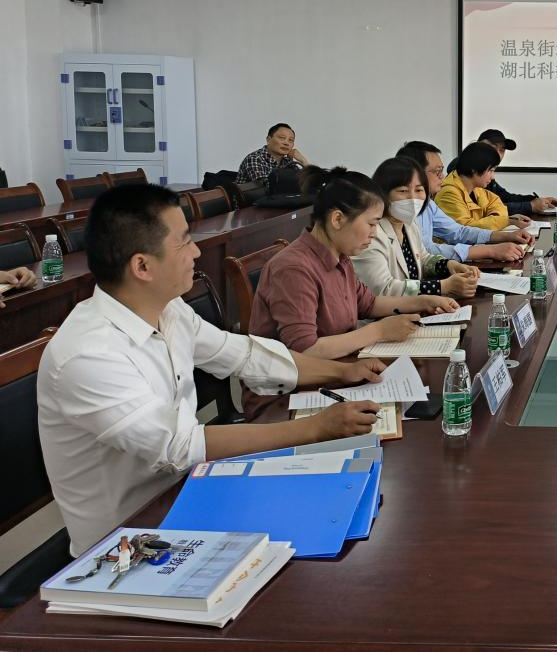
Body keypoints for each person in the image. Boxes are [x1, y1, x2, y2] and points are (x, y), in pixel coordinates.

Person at [36, 184, 387, 557]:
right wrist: (315, 428)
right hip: (125, 544)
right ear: (142, 266)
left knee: (334, 514)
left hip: (190, 493)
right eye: (185, 242)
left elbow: (244, 355)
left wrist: (340, 373)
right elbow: (179, 445)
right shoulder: (88, 354)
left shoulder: (169, 310)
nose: (197, 251)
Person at [246, 166, 459, 420]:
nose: (374, 233)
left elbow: (368, 304)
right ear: (337, 220)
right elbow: (306, 351)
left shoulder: (340, 255)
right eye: (371, 224)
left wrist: (422, 301)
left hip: (338, 375)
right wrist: (379, 331)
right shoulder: (294, 268)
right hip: (287, 398)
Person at [352, 156, 480, 299]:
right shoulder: (371, 234)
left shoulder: (409, 224)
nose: (412, 198)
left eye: (419, 190)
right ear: (383, 194)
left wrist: (448, 265)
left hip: (414, 308)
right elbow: (383, 289)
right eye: (403, 191)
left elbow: (423, 258)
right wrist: (442, 287)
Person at [397, 142, 530, 263]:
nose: (442, 176)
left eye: (442, 170)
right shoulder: (404, 207)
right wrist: (490, 250)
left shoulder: (428, 203)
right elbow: (425, 251)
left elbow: (458, 231)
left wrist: (506, 236)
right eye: (437, 171)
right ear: (414, 173)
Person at [453, 129, 557, 217]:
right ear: (478, 147)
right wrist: (530, 206)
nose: (497, 154)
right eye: (493, 148)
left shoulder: (485, 176)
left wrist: (536, 200)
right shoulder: (462, 170)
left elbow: (504, 198)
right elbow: (484, 211)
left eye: (501, 150)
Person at [435, 142, 531, 232]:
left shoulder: (476, 188)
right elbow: (466, 230)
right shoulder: (448, 194)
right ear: (474, 169)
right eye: (491, 171)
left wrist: (497, 219)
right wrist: (507, 221)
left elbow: (497, 205)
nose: (493, 177)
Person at [236, 123, 309, 183]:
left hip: (279, 197)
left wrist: (304, 161)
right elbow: (266, 188)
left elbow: (310, 184)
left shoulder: (287, 162)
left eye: (291, 140)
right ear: (268, 140)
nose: (286, 143)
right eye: (282, 138)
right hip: (251, 197)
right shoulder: (255, 158)